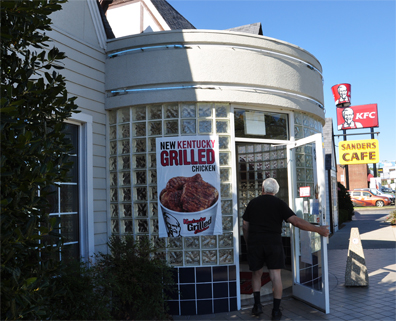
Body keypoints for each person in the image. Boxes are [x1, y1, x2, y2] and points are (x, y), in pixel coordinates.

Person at [242, 178, 329, 320]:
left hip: (255, 243)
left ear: (262, 189)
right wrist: (317, 229)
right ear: (275, 191)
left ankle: (257, 306)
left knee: (256, 274)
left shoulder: (253, 203)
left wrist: (248, 242)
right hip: (274, 243)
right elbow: (296, 221)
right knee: (275, 276)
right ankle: (276, 311)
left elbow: (245, 225)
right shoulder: (279, 204)